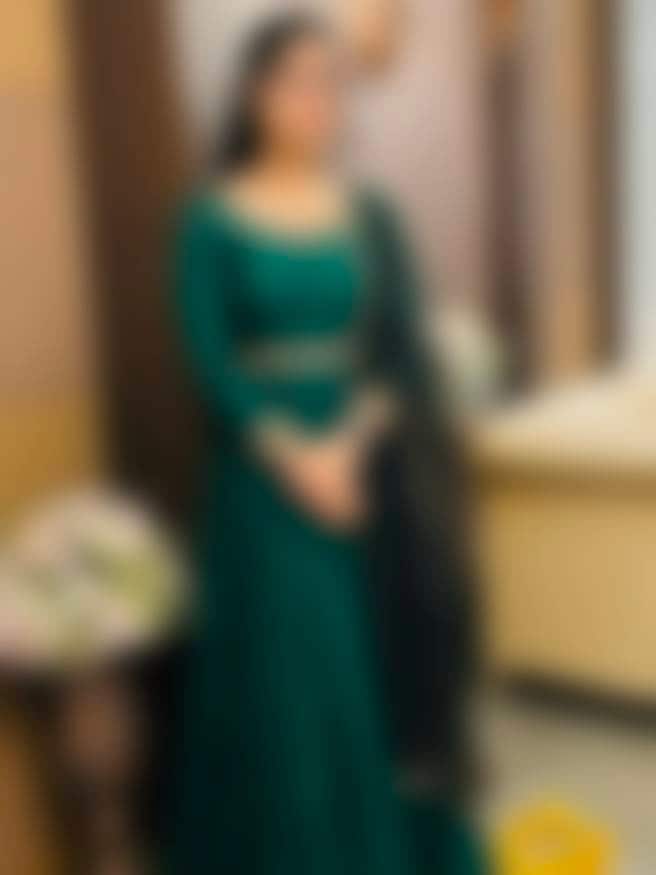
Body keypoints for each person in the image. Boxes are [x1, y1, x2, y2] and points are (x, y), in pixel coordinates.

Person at [168, 12, 484, 874]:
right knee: (290, 684)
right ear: (252, 92)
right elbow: (210, 360)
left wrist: (346, 447)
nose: (317, 101)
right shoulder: (209, 220)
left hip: (366, 474)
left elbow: (395, 351)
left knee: (376, 673)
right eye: (296, 81)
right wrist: (298, 459)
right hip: (260, 484)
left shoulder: (370, 214)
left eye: (331, 84)